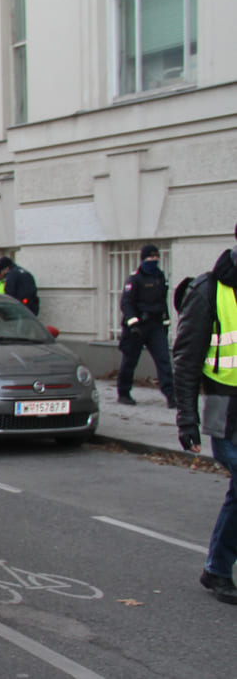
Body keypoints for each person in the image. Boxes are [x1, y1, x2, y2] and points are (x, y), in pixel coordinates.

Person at [172, 227, 237, 605]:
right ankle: (217, 568)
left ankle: (217, 569)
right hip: (224, 408)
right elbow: (186, 360)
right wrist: (187, 420)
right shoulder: (208, 290)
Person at [117, 244, 174, 407]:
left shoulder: (159, 277)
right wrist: (133, 322)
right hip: (137, 327)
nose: (154, 260)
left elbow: (162, 301)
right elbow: (126, 303)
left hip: (155, 325)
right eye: (151, 257)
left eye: (156, 257)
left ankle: (171, 395)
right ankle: (124, 393)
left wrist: (166, 321)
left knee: (164, 360)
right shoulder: (135, 279)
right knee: (130, 361)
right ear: (143, 259)